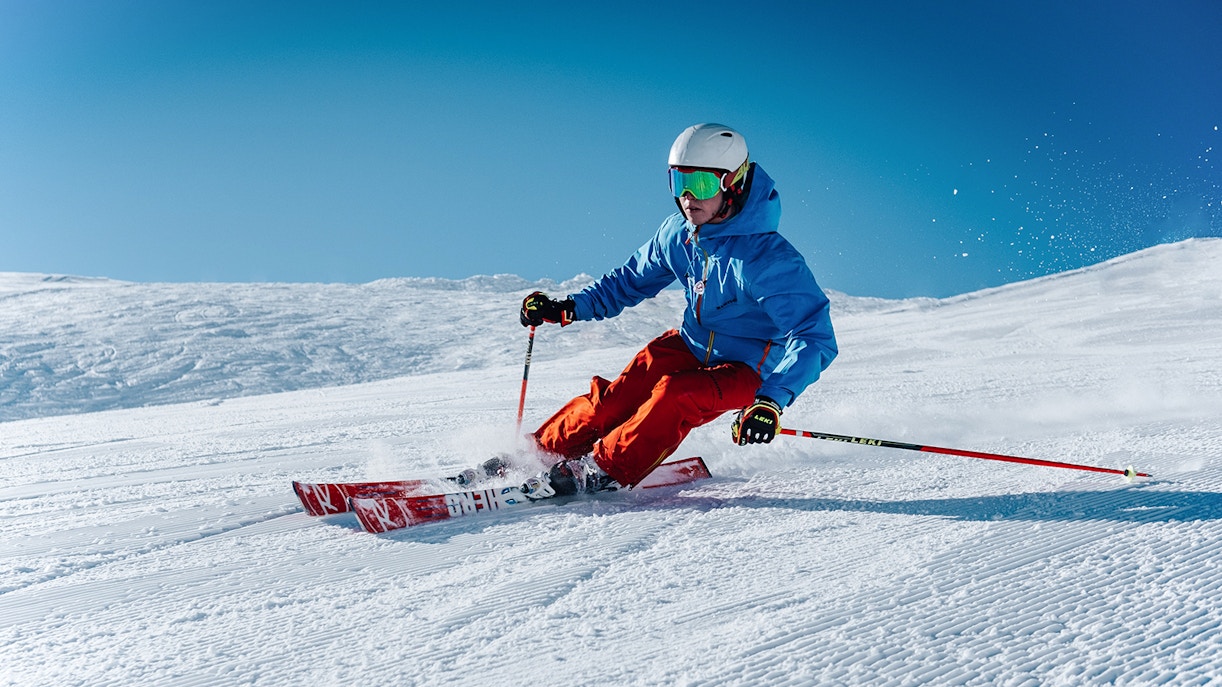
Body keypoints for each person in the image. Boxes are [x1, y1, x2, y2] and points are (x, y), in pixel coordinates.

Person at [517, 123, 837, 498]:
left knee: (676, 394)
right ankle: (537, 453)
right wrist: (568, 307)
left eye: (700, 183)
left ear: (732, 183)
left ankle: (603, 469)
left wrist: (771, 401)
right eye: (679, 182)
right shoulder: (678, 234)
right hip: (690, 344)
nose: (687, 197)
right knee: (615, 401)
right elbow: (628, 281)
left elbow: (813, 336)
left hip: (748, 368)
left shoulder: (768, 259)